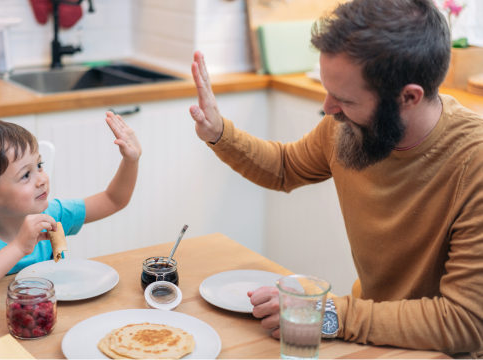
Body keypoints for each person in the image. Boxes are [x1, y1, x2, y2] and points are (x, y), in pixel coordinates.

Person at [188, 0, 483, 356]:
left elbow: (465, 321)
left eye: (344, 98)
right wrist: (220, 132)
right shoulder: (348, 127)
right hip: (371, 337)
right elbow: (284, 166)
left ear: (408, 97)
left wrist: (330, 313)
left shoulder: (474, 162)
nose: (328, 108)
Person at [0, 111, 141, 315]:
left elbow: (113, 200)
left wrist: (130, 161)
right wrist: (19, 246)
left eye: (39, 165)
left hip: (54, 317)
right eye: (26, 175)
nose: (42, 179)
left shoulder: (51, 213)